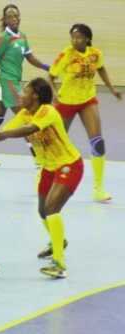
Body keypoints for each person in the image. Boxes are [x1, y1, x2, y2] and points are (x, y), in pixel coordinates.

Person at [0, 78, 83, 278]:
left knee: (51, 208)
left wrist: (0, 136)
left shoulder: (47, 111)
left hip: (69, 165)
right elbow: (6, 130)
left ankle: (59, 263)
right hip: (48, 168)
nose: (20, 96)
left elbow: (30, 129)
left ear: (36, 96)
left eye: (25, 92)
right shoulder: (25, 113)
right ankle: (58, 241)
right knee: (43, 211)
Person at [48, 23, 122, 202]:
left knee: (98, 143)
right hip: (66, 101)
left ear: (87, 38)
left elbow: (101, 68)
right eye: (73, 37)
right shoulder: (66, 55)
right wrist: (54, 94)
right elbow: (50, 76)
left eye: (79, 37)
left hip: (88, 100)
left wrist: (112, 89)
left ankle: (98, 188)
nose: (75, 40)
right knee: (57, 143)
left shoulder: (95, 54)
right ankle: (48, 177)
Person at [0, 4, 50, 167]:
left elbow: (30, 58)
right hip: (6, 84)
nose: (14, 18)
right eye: (10, 16)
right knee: (27, 118)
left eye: (16, 15)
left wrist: (46, 67)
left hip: (15, 82)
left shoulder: (22, 36)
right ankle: (38, 157)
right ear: (5, 20)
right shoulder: (3, 39)